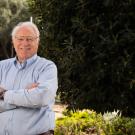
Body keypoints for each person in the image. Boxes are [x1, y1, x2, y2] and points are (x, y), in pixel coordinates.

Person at [0, 22, 58, 135]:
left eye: (29, 39)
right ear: (13, 41)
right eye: (20, 38)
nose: (25, 43)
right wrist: (27, 96)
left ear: (37, 41)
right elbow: (34, 100)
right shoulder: (1, 67)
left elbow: (41, 97)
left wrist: (4, 94)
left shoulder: (47, 67)